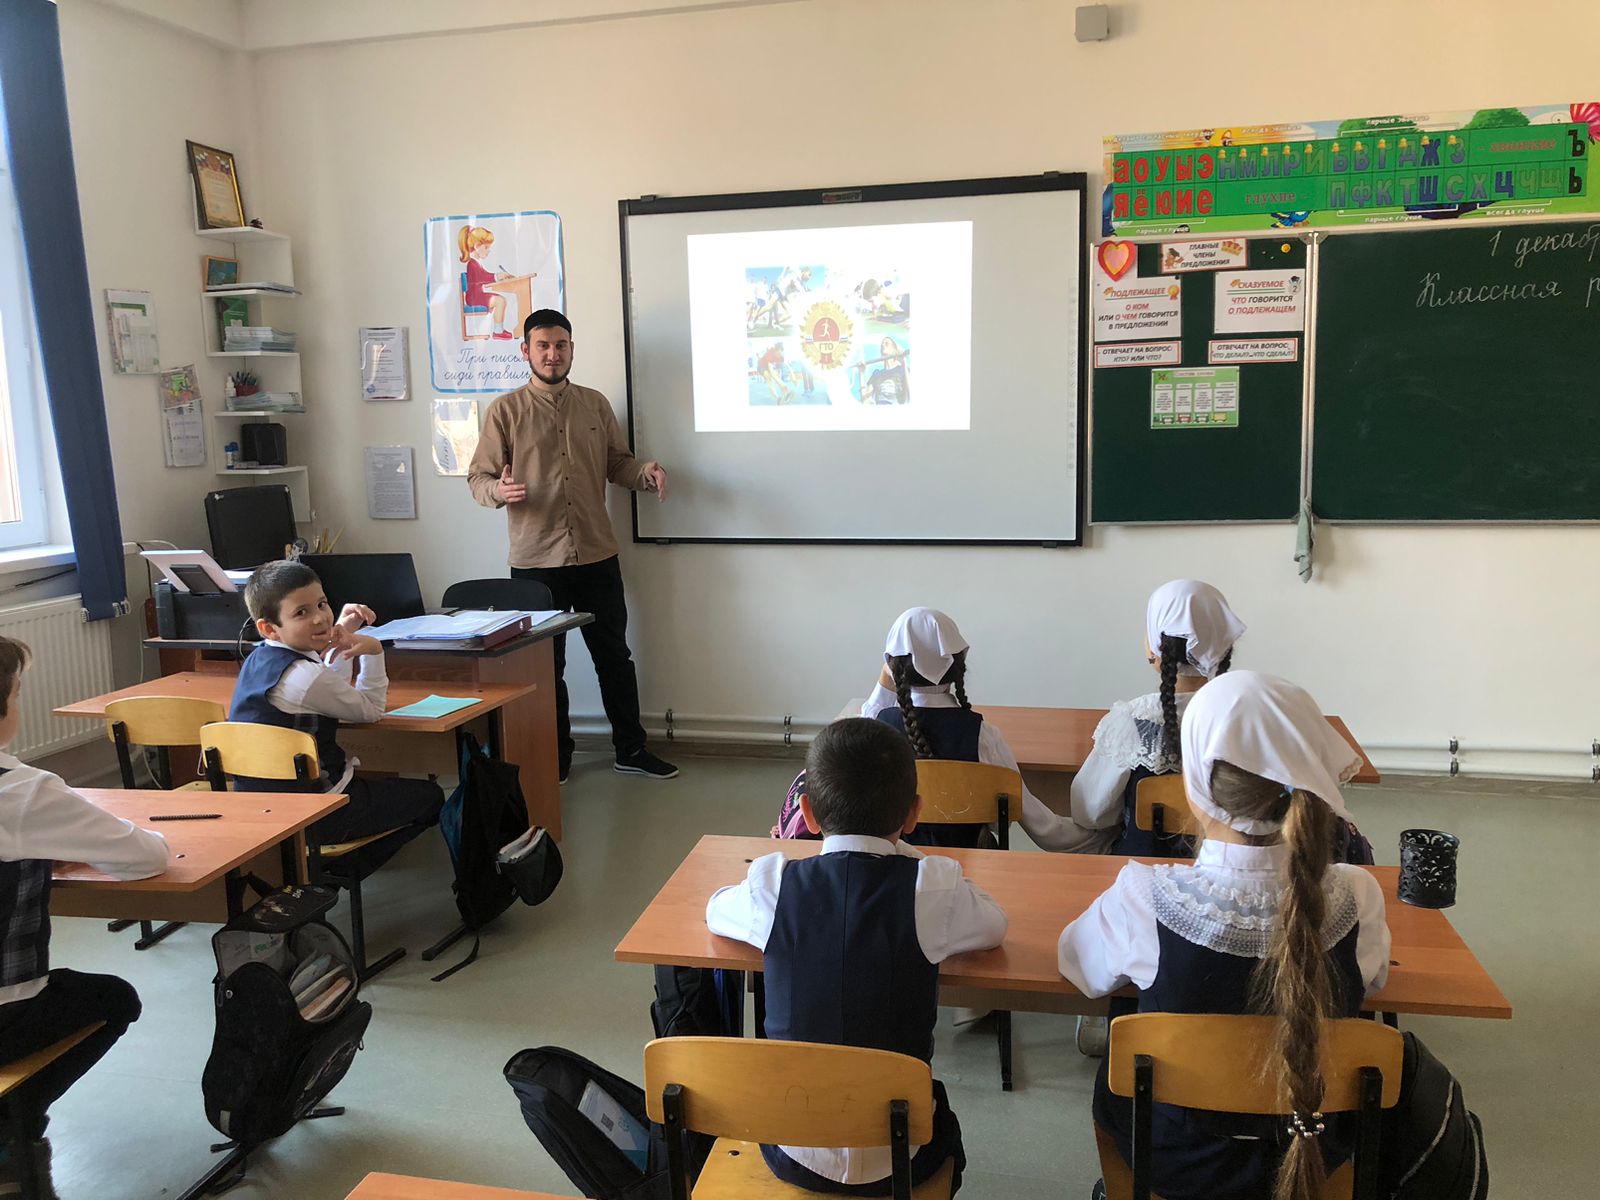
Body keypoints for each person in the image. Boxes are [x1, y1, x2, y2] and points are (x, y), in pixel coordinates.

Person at [1058, 671, 1390, 1200]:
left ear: (1194, 784)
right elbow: (1370, 982)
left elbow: (1079, 968)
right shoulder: (1356, 895)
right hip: (1317, 1153)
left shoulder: (1145, 897)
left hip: (1173, 1163)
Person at [708, 718, 1005, 1195]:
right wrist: (914, 857)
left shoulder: (774, 887)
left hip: (791, 1149)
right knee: (940, 1116)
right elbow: (995, 926)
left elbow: (715, 910)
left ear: (807, 812)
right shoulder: (931, 888)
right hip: (901, 1154)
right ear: (914, 813)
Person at [467, 309, 677, 782]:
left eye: (560, 345)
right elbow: (478, 478)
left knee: (614, 657)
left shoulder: (595, 405)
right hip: (536, 563)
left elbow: (617, 464)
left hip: (597, 555)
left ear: (571, 350)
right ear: (526, 351)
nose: (552, 354)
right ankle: (555, 757)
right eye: (543, 346)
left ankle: (631, 750)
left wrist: (645, 473)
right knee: (546, 665)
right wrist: (499, 490)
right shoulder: (505, 411)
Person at [0, 636, 169, 1196]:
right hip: (4, 1019)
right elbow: (145, 857)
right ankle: (13, 1132)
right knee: (115, 999)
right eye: (17, 694)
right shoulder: (21, 792)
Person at [230, 560, 443, 871]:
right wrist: (373, 651)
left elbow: (326, 689)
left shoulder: (259, 657)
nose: (319, 618)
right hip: (318, 813)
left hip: (262, 807)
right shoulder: (305, 677)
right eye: (301, 613)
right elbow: (370, 711)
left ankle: (321, 871)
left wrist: (341, 635)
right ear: (269, 628)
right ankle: (337, 871)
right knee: (431, 797)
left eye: (322, 604)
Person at [861, 607, 1099, 851]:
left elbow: (865, 716)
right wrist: (1102, 837)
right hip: (975, 864)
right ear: (959, 663)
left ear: (891, 666)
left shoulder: (877, 731)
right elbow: (1040, 826)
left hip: (898, 863)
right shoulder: (983, 736)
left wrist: (888, 673)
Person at [1074, 579, 1246, 857]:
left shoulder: (1134, 719)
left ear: (1155, 647)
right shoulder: (1247, 717)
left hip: (1138, 868)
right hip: (1224, 867)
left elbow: (1091, 812)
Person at [457, 225, 521, 341]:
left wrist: (498, 277)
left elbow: (484, 276)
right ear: (477, 246)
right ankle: (498, 331)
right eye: (486, 247)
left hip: (477, 295)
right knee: (500, 301)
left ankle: (498, 330)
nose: (488, 251)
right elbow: (481, 277)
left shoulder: (476, 263)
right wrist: (497, 276)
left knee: (500, 300)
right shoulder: (472, 264)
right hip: (474, 298)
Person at [861, 336, 910, 405]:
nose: (883, 345)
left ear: (894, 350)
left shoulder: (903, 370)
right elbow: (865, 402)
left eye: (886, 343)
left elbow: (911, 396)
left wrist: (904, 363)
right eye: (882, 344)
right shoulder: (876, 373)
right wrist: (861, 373)